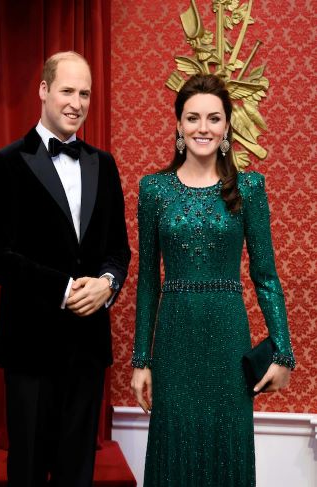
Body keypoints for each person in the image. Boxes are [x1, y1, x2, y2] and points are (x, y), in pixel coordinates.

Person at [130, 73, 295, 486]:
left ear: (226, 128)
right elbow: (148, 281)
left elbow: (265, 275)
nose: (203, 127)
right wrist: (141, 360)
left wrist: (284, 353)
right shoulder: (153, 190)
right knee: (175, 450)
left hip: (227, 337)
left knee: (227, 450)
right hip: (174, 340)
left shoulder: (250, 188)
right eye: (193, 118)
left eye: (213, 118)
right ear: (179, 126)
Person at [0, 51, 131, 486]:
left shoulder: (104, 164)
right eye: (67, 90)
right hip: (29, 346)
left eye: (85, 93)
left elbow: (118, 250)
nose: (76, 102)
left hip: (87, 347)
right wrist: (64, 288)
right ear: (44, 91)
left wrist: (107, 283)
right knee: (26, 470)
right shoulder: (5, 163)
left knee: (77, 472)